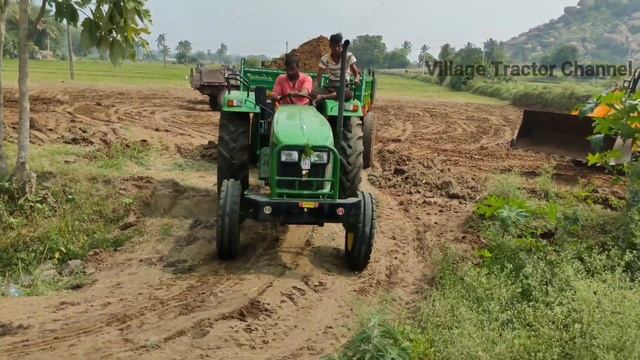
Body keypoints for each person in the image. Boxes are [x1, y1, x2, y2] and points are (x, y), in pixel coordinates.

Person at [312, 33, 361, 105]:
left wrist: (357, 79)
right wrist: (313, 85)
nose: (336, 49)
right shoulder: (325, 59)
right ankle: (329, 97)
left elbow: (357, 74)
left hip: (344, 86)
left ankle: (323, 97)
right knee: (312, 93)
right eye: (334, 46)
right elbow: (319, 78)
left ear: (341, 45)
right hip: (330, 87)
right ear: (330, 46)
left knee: (349, 94)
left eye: (338, 46)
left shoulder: (348, 56)